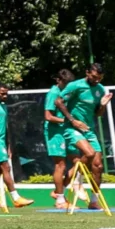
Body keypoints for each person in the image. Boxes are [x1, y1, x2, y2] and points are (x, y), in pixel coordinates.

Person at [55, 63, 113, 209]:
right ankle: (76, 182)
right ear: (87, 73)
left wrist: (104, 105)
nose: (96, 80)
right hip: (72, 128)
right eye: (94, 77)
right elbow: (58, 102)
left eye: (99, 78)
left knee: (98, 166)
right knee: (89, 153)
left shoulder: (100, 89)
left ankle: (93, 201)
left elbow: (98, 114)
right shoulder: (75, 86)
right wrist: (72, 120)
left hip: (89, 130)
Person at [44, 69, 76, 207]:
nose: (67, 86)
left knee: (79, 162)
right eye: (65, 83)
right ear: (58, 80)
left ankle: (58, 191)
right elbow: (48, 116)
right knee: (60, 165)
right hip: (54, 133)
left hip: (67, 132)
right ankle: (60, 200)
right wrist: (67, 121)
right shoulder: (53, 93)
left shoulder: (66, 93)